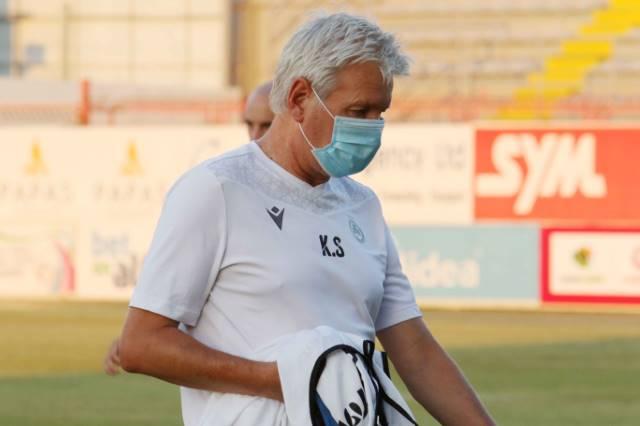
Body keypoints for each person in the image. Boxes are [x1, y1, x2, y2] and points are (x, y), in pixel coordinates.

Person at [115, 13, 496, 425]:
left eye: (380, 113)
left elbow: (416, 352)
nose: (373, 129)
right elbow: (141, 345)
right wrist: (286, 381)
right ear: (299, 98)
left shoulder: (362, 205)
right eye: (358, 111)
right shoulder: (216, 190)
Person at [103, 81, 275, 376]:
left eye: (266, 125)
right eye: (250, 124)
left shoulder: (340, 200)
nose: (255, 136)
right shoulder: (218, 192)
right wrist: (148, 337)